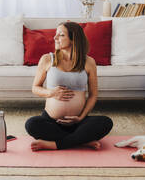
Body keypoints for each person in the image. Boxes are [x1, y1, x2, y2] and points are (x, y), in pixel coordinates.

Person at [25, 21, 113, 151]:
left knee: (106, 122)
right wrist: (51, 93)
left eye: (61, 35)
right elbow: (35, 88)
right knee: (31, 124)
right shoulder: (47, 59)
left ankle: (56, 144)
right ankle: (81, 141)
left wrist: (81, 117)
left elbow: (93, 95)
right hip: (51, 121)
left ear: (73, 39)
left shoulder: (89, 62)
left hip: (78, 122)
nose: (55, 38)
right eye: (56, 34)